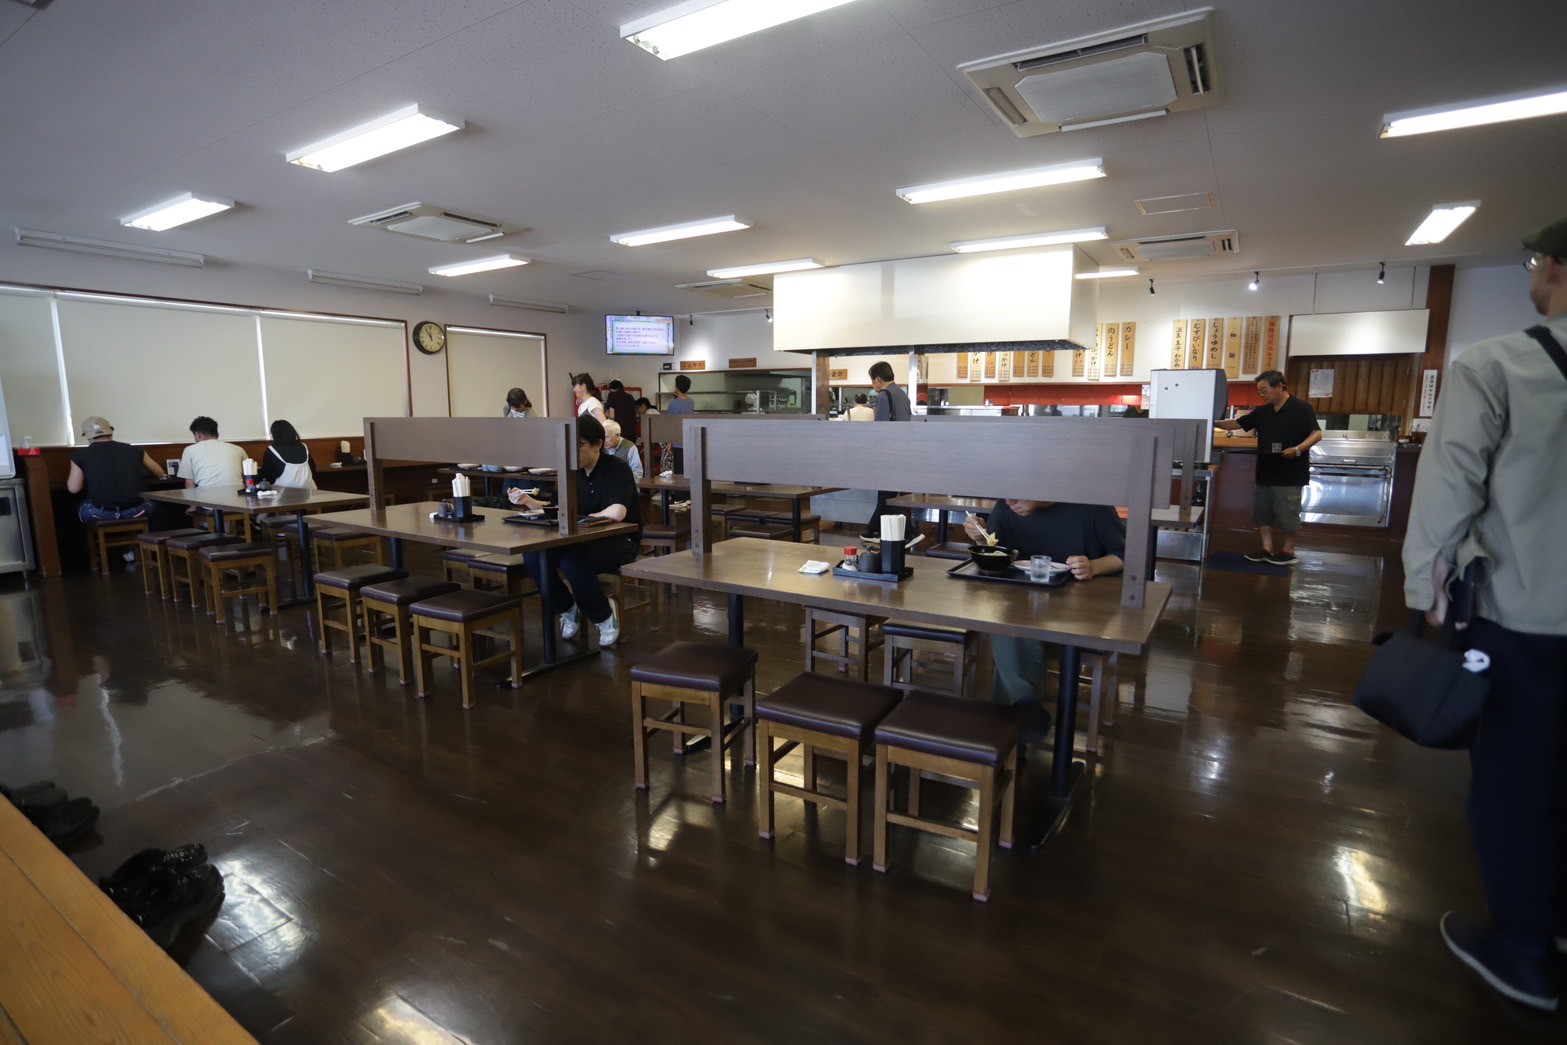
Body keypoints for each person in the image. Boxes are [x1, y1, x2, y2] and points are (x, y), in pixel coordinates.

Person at [1402, 214, 1567, 1013]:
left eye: (1534, 262)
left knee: (1515, 780)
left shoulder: (1499, 364)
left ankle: (1523, 950)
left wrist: (1427, 593)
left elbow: (1448, 487)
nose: (1532, 274)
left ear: (1555, 267)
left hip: (1527, 616)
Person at [964, 500, 1125, 743]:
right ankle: (1023, 717)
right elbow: (996, 551)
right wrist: (979, 537)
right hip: (1021, 614)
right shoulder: (1007, 506)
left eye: (1020, 493)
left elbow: (1126, 555)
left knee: (1010, 636)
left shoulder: (1091, 505)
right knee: (1009, 624)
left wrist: (1093, 566)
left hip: (1076, 618)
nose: (1011, 501)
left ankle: (1016, 727)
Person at [509, 416, 640, 648]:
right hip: (580, 540)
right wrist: (528, 501)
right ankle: (567, 607)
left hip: (619, 540)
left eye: (579, 445)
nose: (572, 452)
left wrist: (583, 519)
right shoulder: (571, 471)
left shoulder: (617, 469)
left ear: (598, 444)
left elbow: (618, 512)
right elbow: (557, 508)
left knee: (572, 561)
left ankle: (603, 615)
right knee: (533, 556)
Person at [1214, 370, 1321, 565]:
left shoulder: (1301, 408)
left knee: (1287, 513)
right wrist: (1211, 421)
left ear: (1280, 387)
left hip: (1290, 473)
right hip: (1265, 471)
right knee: (1262, 512)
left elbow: (1316, 434)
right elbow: (1237, 424)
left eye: (1264, 390)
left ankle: (1288, 551)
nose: (1261, 395)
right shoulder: (1263, 412)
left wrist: (1297, 449)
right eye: (1259, 391)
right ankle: (1267, 548)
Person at [67, 415, 164, 522]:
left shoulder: (79, 455)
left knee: (80, 506)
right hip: (136, 511)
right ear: (111, 432)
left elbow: (74, 489)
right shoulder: (135, 450)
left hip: (100, 514)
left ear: (87, 437)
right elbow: (160, 473)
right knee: (158, 507)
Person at [862, 360, 912, 539]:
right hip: (903, 451)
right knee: (887, 495)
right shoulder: (902, 394)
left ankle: (910, 531)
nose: (873, 385)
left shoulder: (884, 395)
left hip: (888, 453)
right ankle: (874, 529)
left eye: (872, 380)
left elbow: (880, 429)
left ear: (878, 379)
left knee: (886, 496)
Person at [177, 416, 245, 489]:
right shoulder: (238, 449)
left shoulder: (189, 450)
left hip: (206, 495)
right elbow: (247, 476)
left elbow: (189, 483)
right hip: (237, 494)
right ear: (217, 434)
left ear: (198, 435)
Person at [259, 419, 317, 489]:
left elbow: (267, 475)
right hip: (309, 490)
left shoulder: (271, 449)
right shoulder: (303, 446)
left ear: (274, 434)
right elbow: (312, 468)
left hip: (284, 492)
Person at [666, 374, 695, 473]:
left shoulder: (673, 403)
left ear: (677, 387)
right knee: (687, 469)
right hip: (688, 439)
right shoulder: (691, 402)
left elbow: (670, 423)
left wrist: (669, 442)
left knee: (679, 470)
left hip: (677, 441)